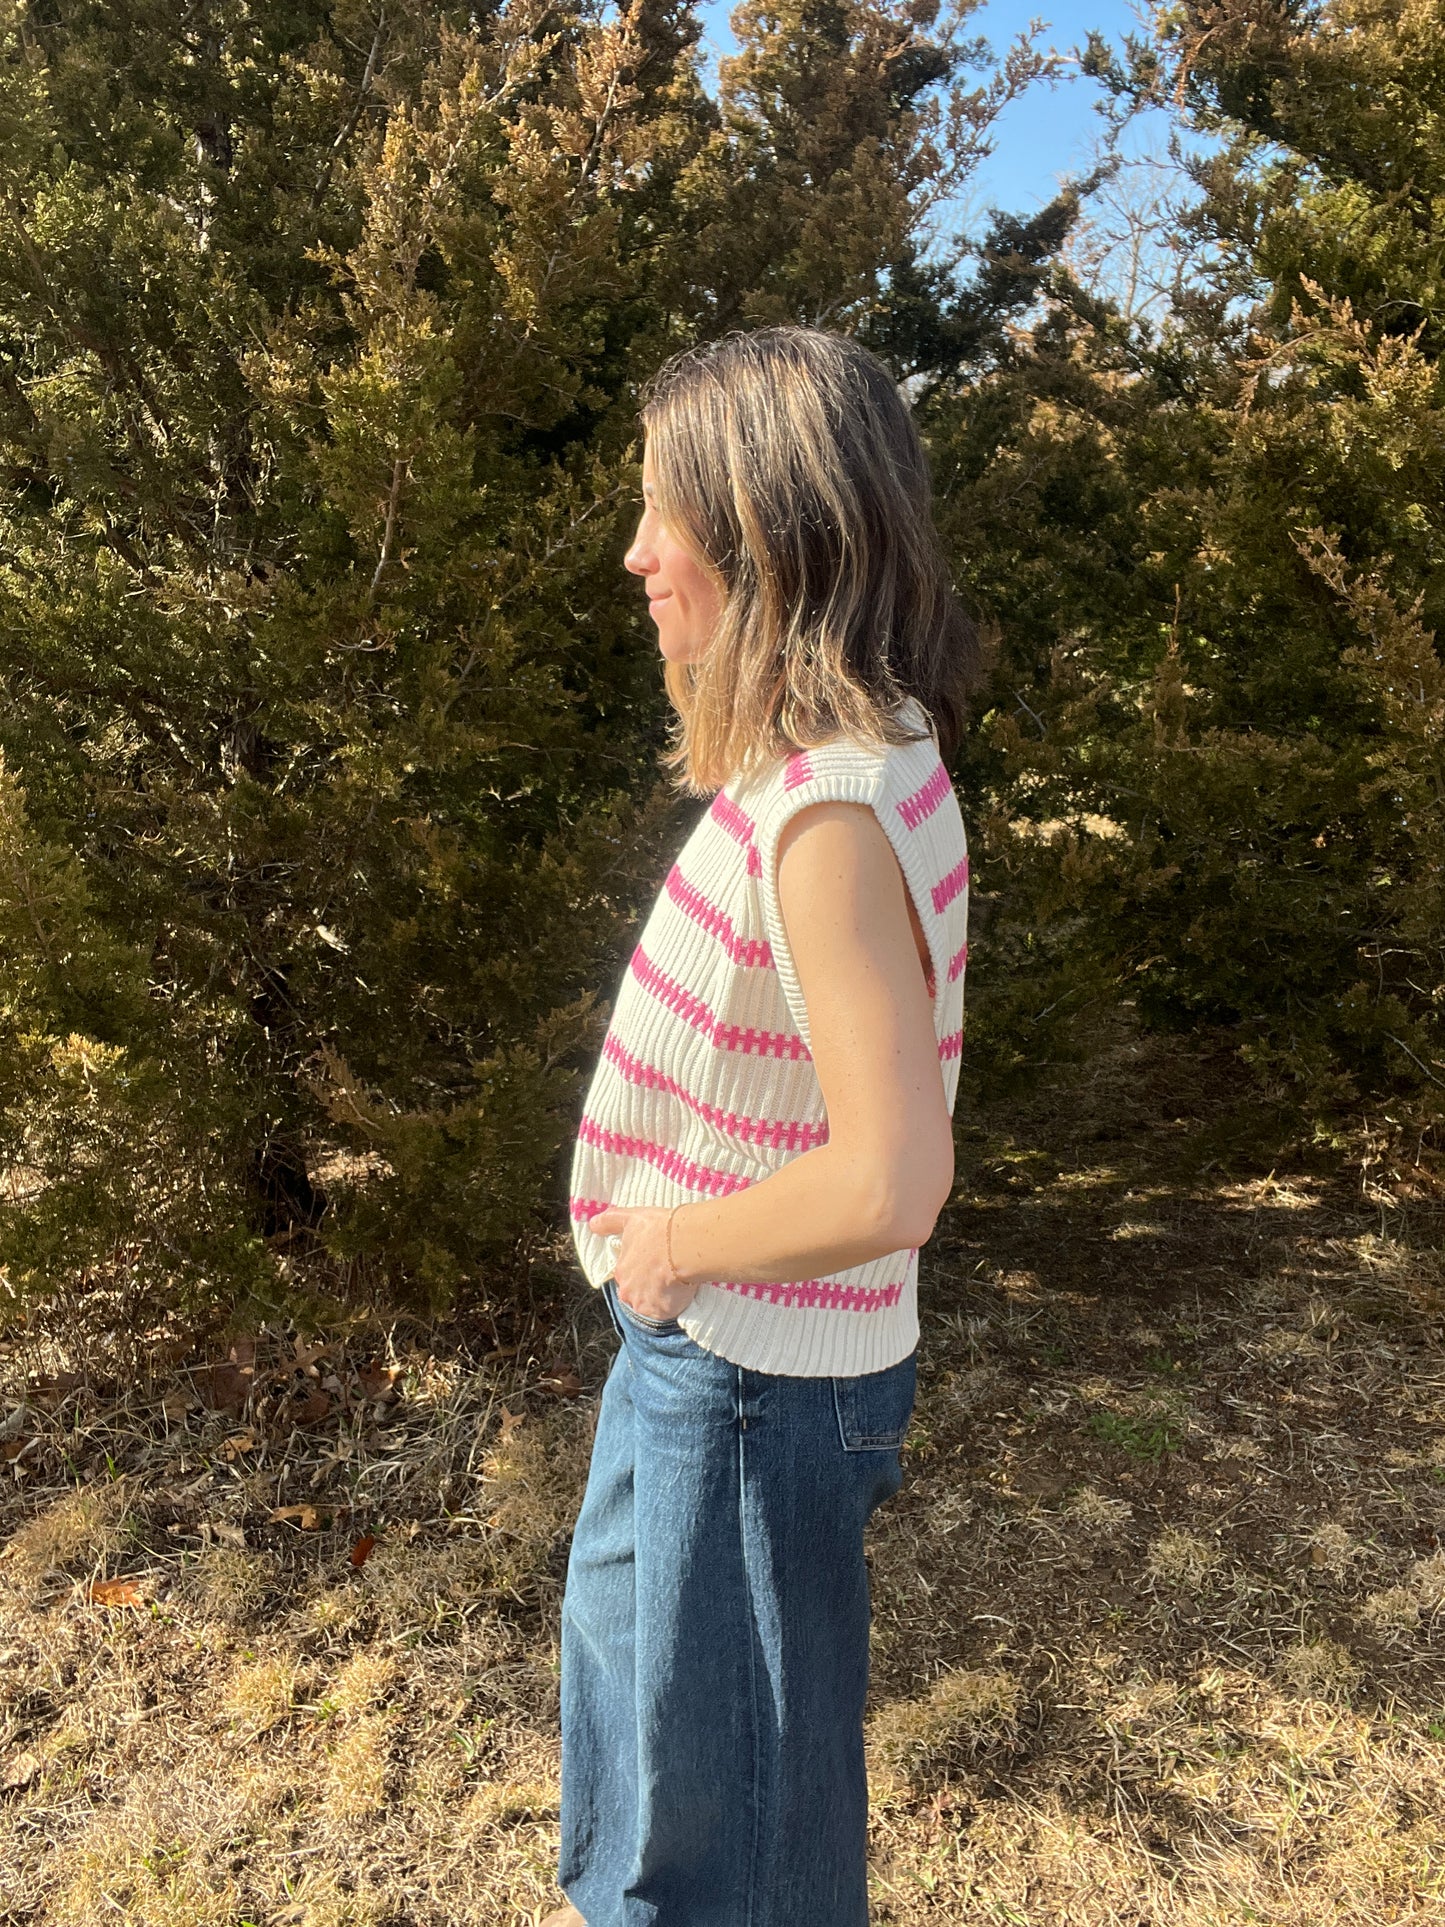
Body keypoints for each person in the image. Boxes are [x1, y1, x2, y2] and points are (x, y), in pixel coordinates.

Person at [545, 325, 982, 1927]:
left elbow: (889, 1176)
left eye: (665, 513)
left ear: (766, 535)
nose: (636, 552)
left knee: (722, 1839)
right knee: (658, 1741)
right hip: (712, 1358)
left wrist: (664, 1248)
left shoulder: (824, 813)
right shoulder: (840, 762)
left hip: (741, 1375)